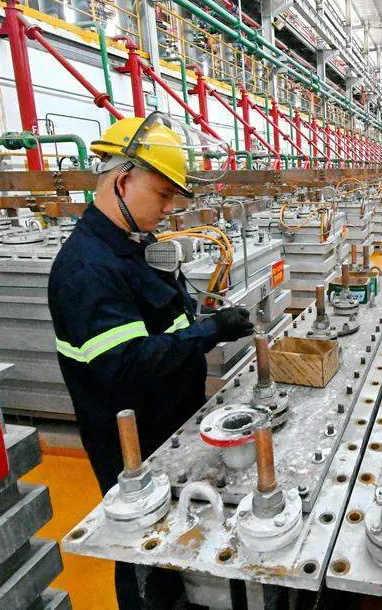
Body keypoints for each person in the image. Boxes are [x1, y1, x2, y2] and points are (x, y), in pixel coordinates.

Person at [48, 113, 255, 608]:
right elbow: (126, 364)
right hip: (132, 447)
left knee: (176, 542)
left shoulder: (130, 248)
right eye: (162, 195)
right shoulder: (87, 268)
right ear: (123, 181)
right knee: (142, 548)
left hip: (168, 427)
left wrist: (200, 318)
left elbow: (163, 321)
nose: (168, 209)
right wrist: (210, 331)